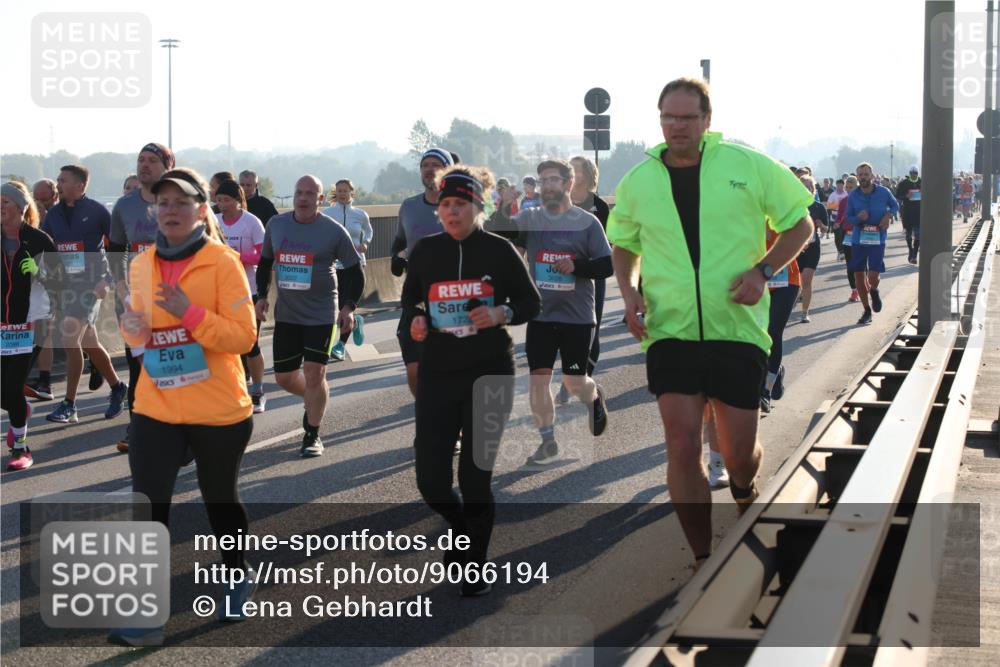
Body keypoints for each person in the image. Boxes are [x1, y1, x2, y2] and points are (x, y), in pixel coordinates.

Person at [608, 78, 813, 570]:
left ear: (707, 121)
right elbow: (624, 244)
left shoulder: (747, 165)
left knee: (738, 454)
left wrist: (763, 271)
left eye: (686, 118)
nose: (676, 126)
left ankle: (743, 489)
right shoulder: (639, 180)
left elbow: (800, 223)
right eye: (668, 117)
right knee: (680, 444)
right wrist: (630, 292)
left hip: (736, 327)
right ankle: (703, 558)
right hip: (670, 332)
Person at [109, 168, 258, 646]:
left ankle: (236, 576)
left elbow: (243, 337)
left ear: (200, 210)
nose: (170, 210)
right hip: (156, 404)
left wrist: (187, 311)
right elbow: (142, 339)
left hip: (217, 407)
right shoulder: (141, 264)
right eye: (162, 202)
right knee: (148, 505)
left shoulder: (224, 262)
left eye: (180, 202)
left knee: (220, 501)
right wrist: (132, 327)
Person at [402, 165, 540, 596]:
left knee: (476, 478)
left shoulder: (499, 251)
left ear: (479, 208)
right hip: (440, 371)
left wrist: (501, 314)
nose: (451, 212)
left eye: (460, 204)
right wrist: (418, 322)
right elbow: (409, 305)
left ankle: (474, 566)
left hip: (489, 372)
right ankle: (462, 530)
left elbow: (530, 303)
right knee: (431, 482)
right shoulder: (425, 251)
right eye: (445, 205)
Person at [504, 159, 612, 465]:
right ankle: (548, 442)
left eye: (553, 179)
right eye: (543, 181)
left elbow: (607, 265)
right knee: (538, 380)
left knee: (574, 382)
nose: (547, 186)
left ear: (567, 184)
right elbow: (503, 240)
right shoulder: (530, 218)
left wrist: (577, 266)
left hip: (577, 316)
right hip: (540, 315)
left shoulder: (588, 222)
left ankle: (593, 398)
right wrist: (503, 208)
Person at [255, 175, 364, 457]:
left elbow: (355, 270)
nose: (302, 198)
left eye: (309, 194)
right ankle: (315, 398)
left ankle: (312, 433)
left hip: (322, 313)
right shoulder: (277, 225)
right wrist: (261, 297)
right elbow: (265, 263)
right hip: (288, 314)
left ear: (319, 199)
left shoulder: (333, 230)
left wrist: (349, 307)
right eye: (298, 192)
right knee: (283, 378)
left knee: (315, 373)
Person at [42, 165, 128, 424]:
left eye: (63, 180)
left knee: (70, 337)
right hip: (67, 286)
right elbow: (49, 252)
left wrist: (108, 280)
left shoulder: (98, 211)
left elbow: (118, 248)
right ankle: (117, 386)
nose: (58, 183)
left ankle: (69, 404)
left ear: (80, 185)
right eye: (57, 179)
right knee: (89, 342)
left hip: (92, 284)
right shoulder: (53, 214)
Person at [108, 142, 174, 452]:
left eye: (151, 160)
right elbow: (115, 249)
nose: (144, 165)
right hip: (135, 301)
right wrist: (120, 285)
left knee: (172, 366)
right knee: (137, 369)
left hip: (173, 301)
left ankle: (180, 429)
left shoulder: (179, 202)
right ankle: (139, 428)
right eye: (140, 160)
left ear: (167, 167)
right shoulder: (124, 205)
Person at [390, 148, 454, 398]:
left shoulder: (462, 206)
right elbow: (399, 241)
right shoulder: (409, 206)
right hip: (416, 296)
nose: (429, 169)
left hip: (453, 296)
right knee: (414, 369)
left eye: (436, 164)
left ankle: (452, 420)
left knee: (450, 368)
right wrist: (396, 258)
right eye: (424, 165)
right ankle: (429, 413)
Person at [2, 182, 57, 471]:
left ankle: (21, 448)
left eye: (5, 201)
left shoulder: (39, 240)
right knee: (5, 393)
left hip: (30, 323)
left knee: (11, 386)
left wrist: (39, 272)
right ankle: (20, 409)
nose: (0, 206)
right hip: (1, 324)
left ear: (21, 207)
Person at [214, 178, 267, 412]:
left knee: (250, 345)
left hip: (249, 290)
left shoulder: (252, 223)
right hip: (220, 290)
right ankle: (231, 388)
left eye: (226, 200)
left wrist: (239, 257)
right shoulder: (213, 222)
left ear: (238, 200)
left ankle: (257, 390)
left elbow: (265, 256)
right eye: (219, 200)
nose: (222, 205)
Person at [569, 155, 611, 381]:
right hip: (560, 275)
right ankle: (571, 375)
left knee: (590, 332)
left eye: (575, 170)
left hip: (592, 277)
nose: (571, 174)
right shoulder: (558, 203)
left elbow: (605, 249)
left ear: (587, 174)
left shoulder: (600, 207)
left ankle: (583, 378)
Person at [322, 179, 372, 360]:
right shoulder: (327, 213)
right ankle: (355, 323)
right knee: (335, 308)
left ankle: (340, 346)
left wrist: (365, 243)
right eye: (339, 190)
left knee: (346, 305)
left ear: (352, 192)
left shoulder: (360, 214)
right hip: (334, 265)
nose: (342, 194)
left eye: (346, 191)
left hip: (355, 265)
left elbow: (369, 231)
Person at [845, 162, 898, 326]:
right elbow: (848, 216)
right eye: (860, 175)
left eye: (866, 174)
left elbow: (895, 205)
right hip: (859, 239)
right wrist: (857, 219)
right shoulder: (853, 195)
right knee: (858, 275)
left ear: (872, 176)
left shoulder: (883, 192)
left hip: (877, 238)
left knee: (873, 276)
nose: (863, 177)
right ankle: (867, 310)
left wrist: (888, 216)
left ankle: (874, 290)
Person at [760, 218, 802, 413]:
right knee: (756, 336)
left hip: (786, 281)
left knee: (773, 332)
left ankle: (765, 392)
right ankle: (775, 371)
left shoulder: (780, 213)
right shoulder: (739, 214)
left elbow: (802, 237)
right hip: (757, 283)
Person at [797, 174, 828, 323]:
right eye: (802, 186)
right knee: (795, 282)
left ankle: (804, 312)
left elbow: (826, 230)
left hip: (813, 247)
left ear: (812, 189)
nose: (805, 189)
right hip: (796, 248)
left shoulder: (819, 207)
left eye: (808, 186)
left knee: (806, 280)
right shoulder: (793, 206)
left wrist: (821, 225)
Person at [836, 176, 861, 302]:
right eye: (848, 187)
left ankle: (863, 285)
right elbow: (840, 216)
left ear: (857, 186)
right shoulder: (844, 201)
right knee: (850, 265)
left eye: (852, 187)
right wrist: (836, 223)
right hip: (848, 235)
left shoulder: (863, 199)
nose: (850, 190)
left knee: (861, 264)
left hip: (862, 235)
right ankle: (854, 290)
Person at [895, 166, 922, 265]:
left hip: (919, 211)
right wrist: (906, 196)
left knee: (918, 234)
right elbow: (897, 195)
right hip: (908, 211)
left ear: (918, 173)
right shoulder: (904, 183)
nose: (914, 175)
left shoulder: (923, 182)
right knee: (908, 234)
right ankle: (910, 250)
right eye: (912, 173)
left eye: (915, 173)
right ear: (909, 173)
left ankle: (914, 255)